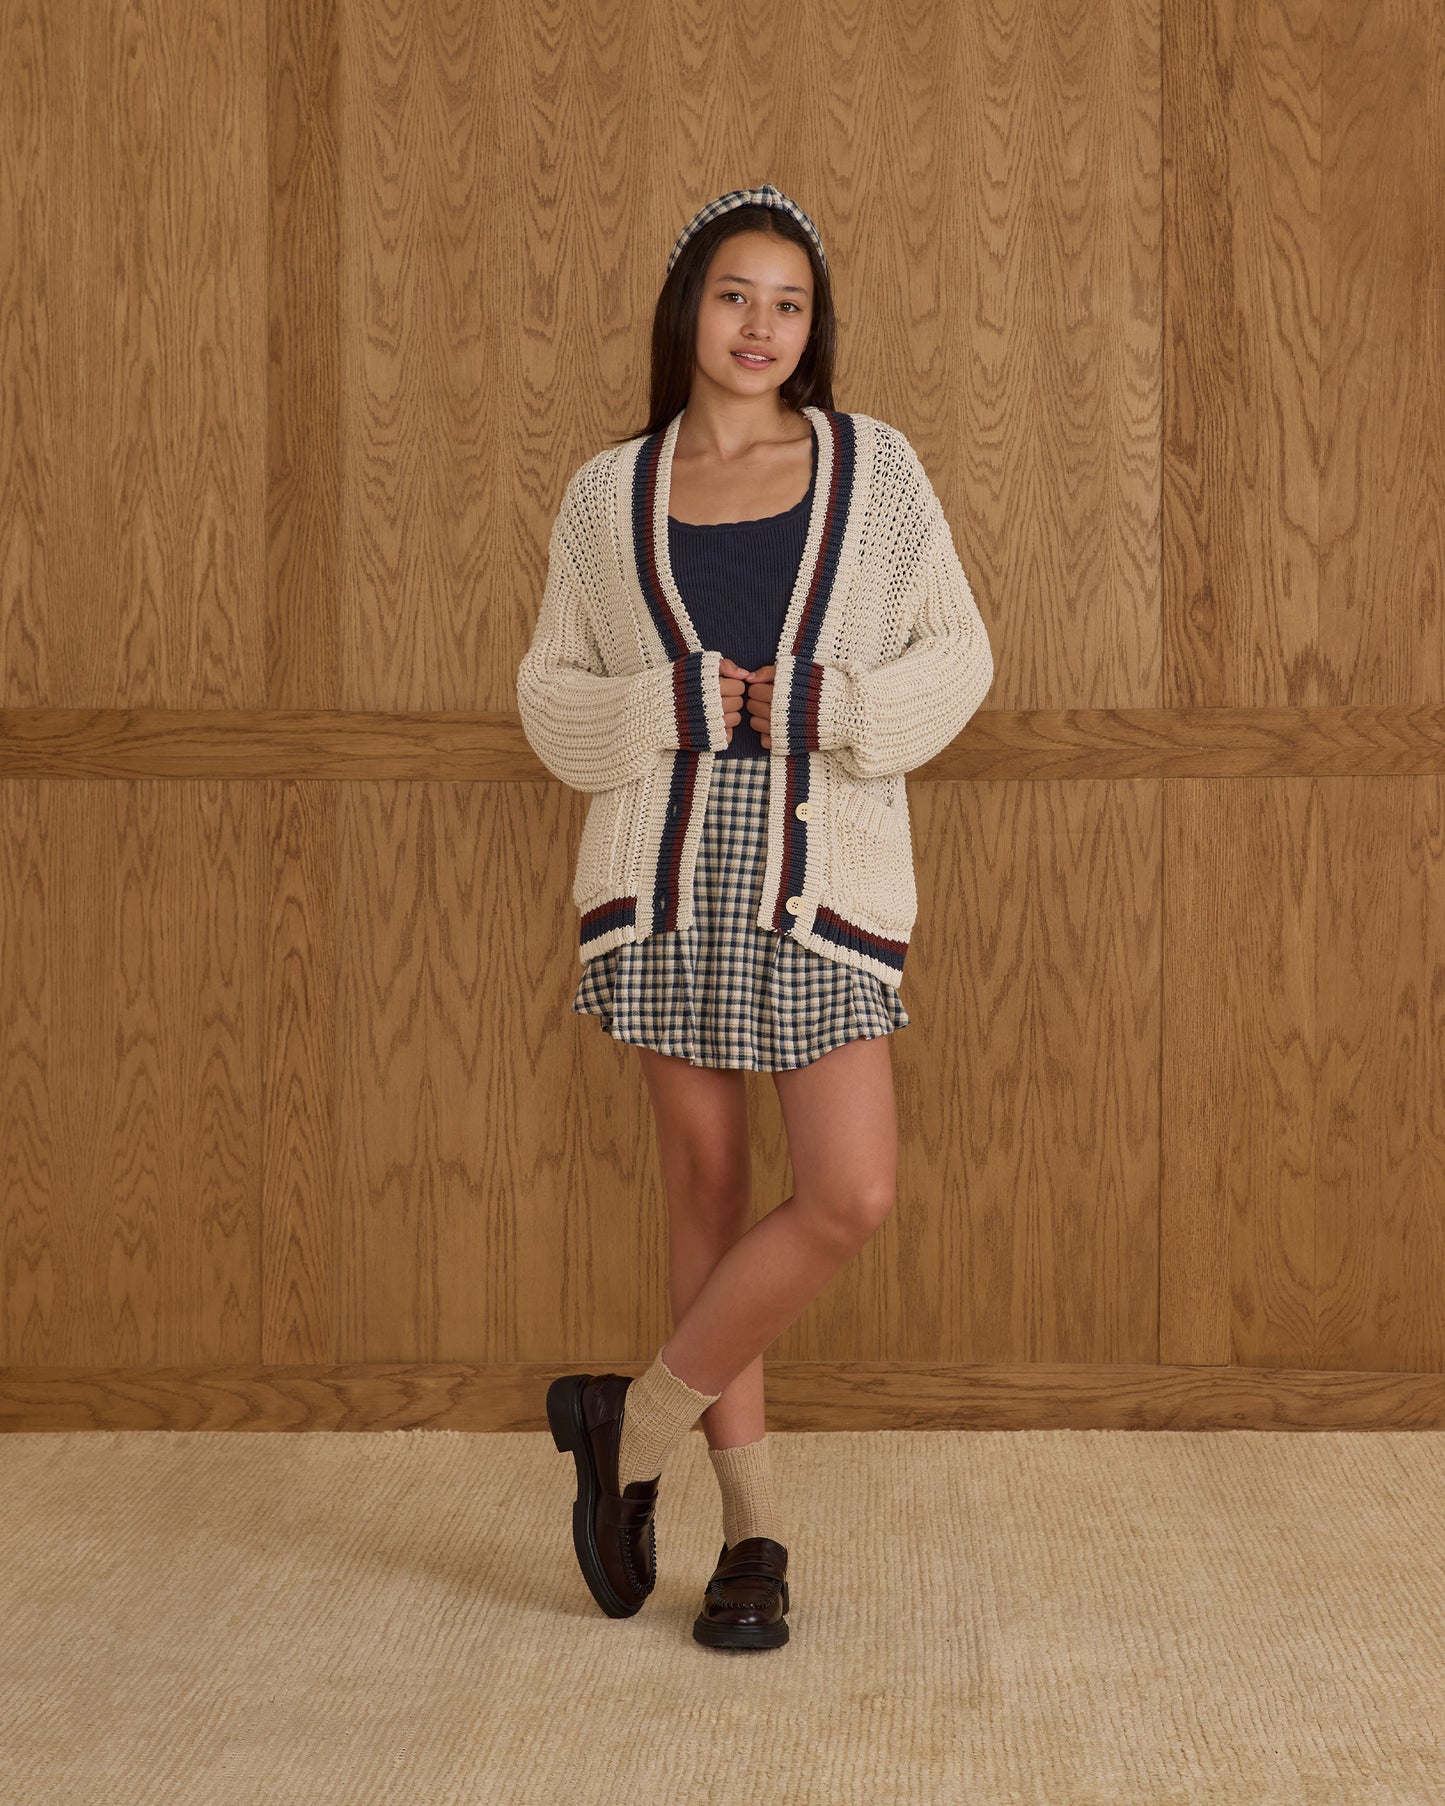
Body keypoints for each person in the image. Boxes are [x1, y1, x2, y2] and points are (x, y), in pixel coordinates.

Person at [518, 185, 995, 1651]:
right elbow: (548, 694)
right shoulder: (607, 494)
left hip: (821, 879)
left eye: (789, 304)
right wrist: (660, 703)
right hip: (662, 882)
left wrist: (823, 707)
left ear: (812, 327)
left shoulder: (874, 469)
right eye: (736, 295)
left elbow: (958, 656)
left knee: (847, 1192)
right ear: (690, 309)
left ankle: (631, 1428)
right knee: (709, 1194)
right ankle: (750, 1537)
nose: (760, 326)